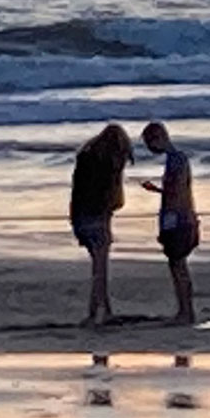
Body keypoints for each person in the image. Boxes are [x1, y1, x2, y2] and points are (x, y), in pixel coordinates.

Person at [69, 124, 133, 327]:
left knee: (98, 267)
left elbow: (76, 192)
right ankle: (97, 312)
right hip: (99, 217)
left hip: (81, 216)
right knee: (100, 269)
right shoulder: (109, 165)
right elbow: (116, 201)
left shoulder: (86, 158)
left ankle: (102, 308)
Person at [139, 122, 199, 324]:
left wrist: (169, 220)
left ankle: (186, 311)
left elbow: (176, 192)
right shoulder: (176, 160)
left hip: (178, 218)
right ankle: (185, 309)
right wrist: (157, 190)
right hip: (180, 216)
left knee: (178, 266)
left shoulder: (176, 160)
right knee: (178, 266)